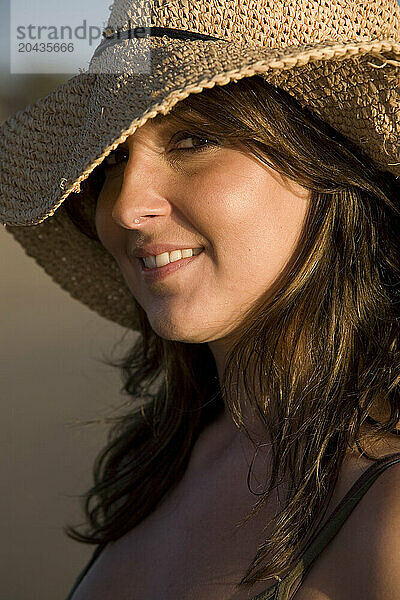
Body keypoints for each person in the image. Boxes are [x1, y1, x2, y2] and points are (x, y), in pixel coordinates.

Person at [2, 0, 400, 598]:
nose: (124, 206)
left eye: (192, 139)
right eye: (113, 161)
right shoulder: (166, 459)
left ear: (332, 159)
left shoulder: (387, 512)